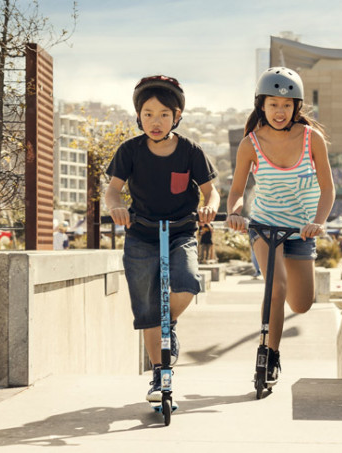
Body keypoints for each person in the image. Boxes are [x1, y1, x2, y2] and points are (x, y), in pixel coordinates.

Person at [104, 75, 219, 402]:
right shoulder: (129, 151)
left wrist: (209, 208)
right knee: (146, 306)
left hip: (180, 230)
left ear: (177, 116)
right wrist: (117, 208)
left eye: (164, 114)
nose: (156, 121)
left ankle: (165, 323)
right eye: (149, 114)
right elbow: (113, 191)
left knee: (187, 282)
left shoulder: (190, 151)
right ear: (138, 116)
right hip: (141, 233)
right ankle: (159, 374)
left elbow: (212, 192)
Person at [225, 67, 335, 386]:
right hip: (264, 225)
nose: (279, 111)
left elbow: (328, 188)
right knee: (276, 288)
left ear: (296, 107)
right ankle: (269, 355)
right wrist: (233, 213)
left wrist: (318, 222)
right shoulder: (251, 144)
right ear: (261, 105)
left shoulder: (312, 139)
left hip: (302, 230)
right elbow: (236, 191)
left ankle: (283, 282)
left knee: (301, 304)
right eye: (273, 104)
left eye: (286, 105)